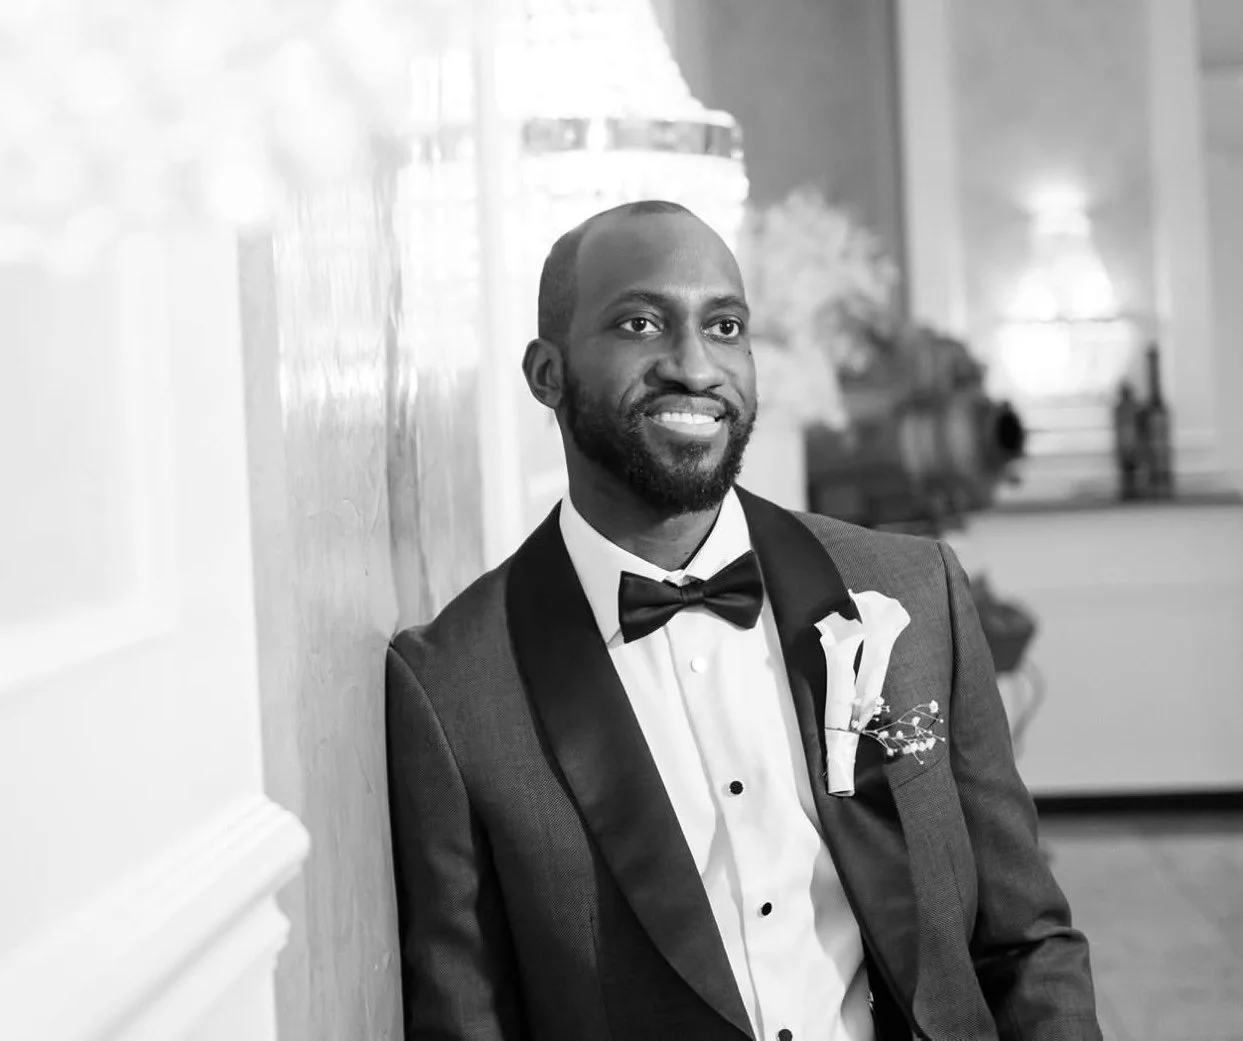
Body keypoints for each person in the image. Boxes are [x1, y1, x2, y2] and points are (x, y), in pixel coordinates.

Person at [385, 200, 1101, 1040]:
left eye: (723, 326)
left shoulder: (912, 591)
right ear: (547, 373)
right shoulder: (454, 689)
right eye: (640, 322)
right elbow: (466, 1018)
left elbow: (1024, 939)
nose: (693, 366)